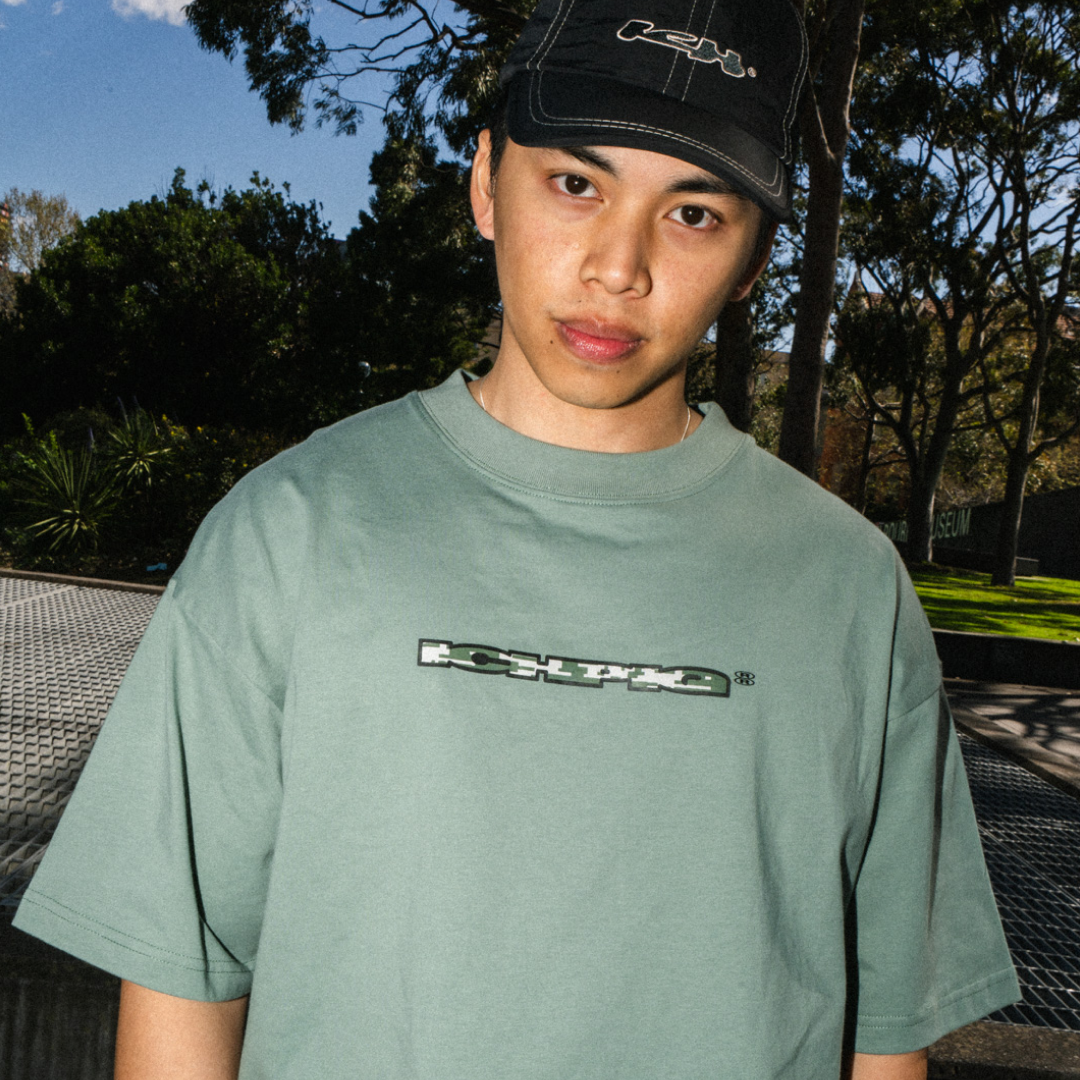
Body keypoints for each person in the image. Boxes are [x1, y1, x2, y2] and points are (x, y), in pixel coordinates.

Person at [15, 0, 1019, 1076]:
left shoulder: (850, 588)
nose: (618, 267)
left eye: (693, 213)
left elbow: (888, 1041)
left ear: (755, 257)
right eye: (577, 183)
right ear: (486, 182)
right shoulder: (286, 532)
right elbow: (180, 983)